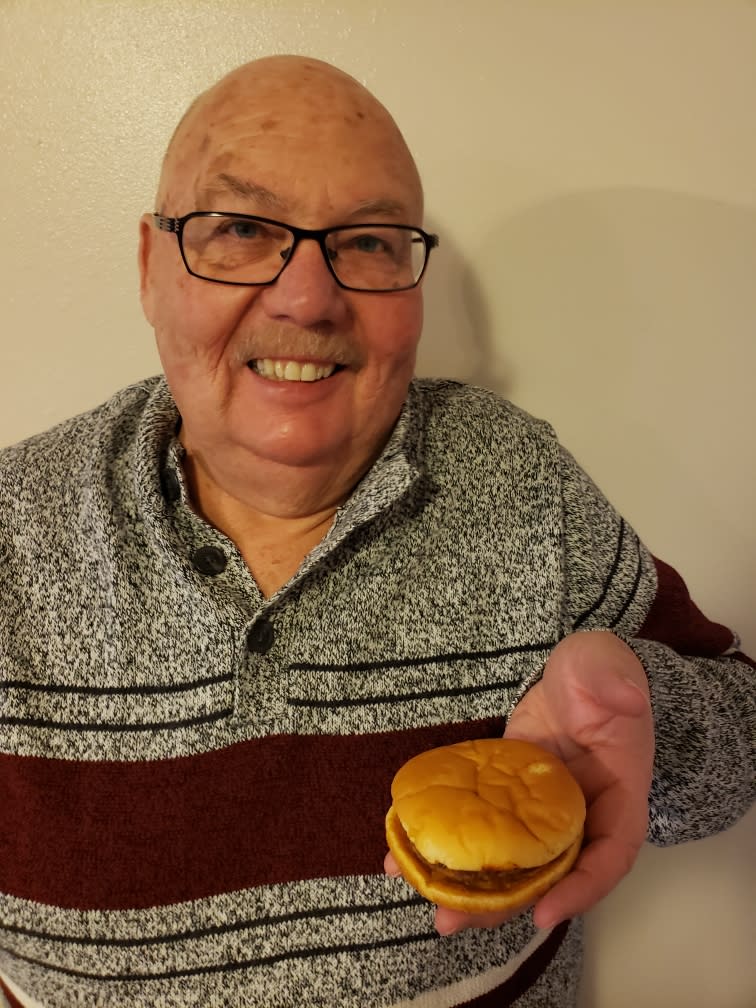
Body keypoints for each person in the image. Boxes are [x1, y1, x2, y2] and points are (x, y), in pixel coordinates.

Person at [0, 54, 752, 1008]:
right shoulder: (12, 528)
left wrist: (656, 714)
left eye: (367, 241)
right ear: (151, 268)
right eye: (240, 228)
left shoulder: (520, 479)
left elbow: (742, 736)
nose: (308, 298)